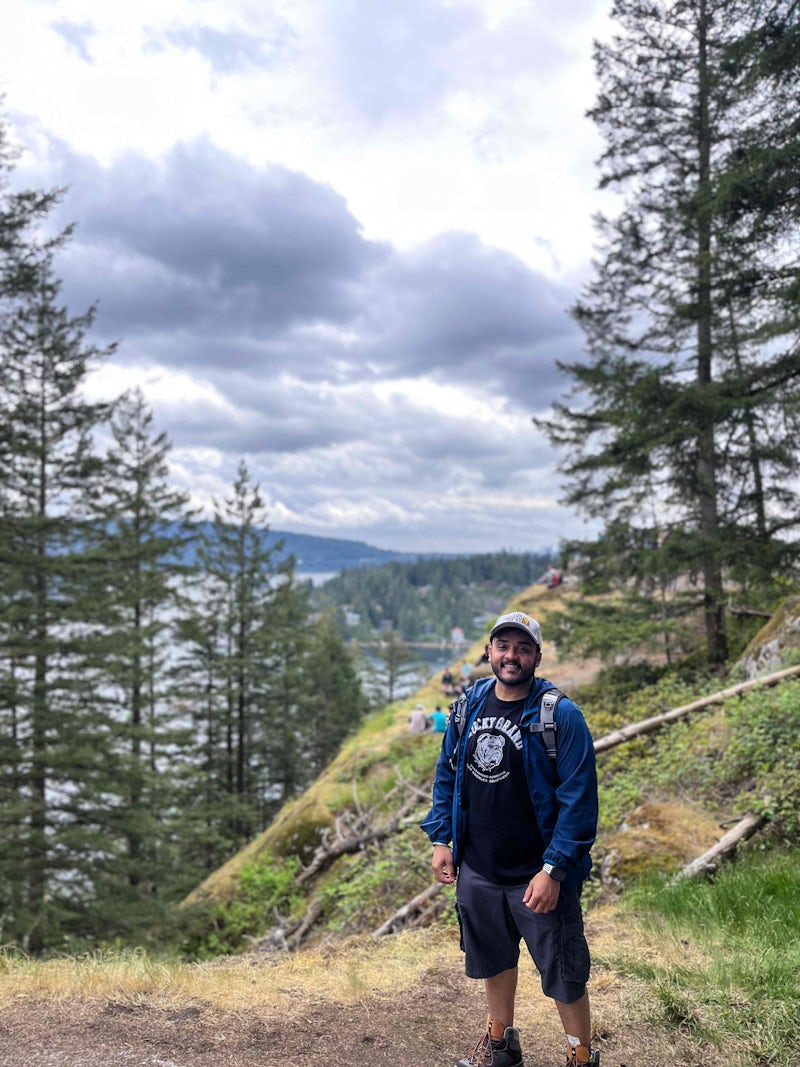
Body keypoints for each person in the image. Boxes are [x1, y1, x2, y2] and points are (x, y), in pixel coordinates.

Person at [421, 611, 599, 1067]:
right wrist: (441, 839)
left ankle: (580, 1057)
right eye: (503, 646)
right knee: (495, 959)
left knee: (564, 972)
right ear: (489, 652)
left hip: (537, 874)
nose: (511, 656)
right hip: (479, 868)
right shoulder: (469, 705)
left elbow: (579, 802)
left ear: (537, 656)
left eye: (522, 648)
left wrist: (553, 870)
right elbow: (448, 773)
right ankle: (500, 1046)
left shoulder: (560, 715)